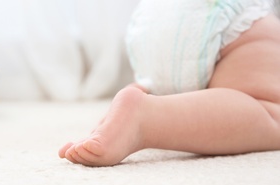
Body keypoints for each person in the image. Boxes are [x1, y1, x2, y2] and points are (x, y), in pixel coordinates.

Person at [59, 0, 280, 167]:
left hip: (156, 17)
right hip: (234, 14)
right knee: (270, 111)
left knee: (159, 85)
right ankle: (146, 118)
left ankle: (125, 115)